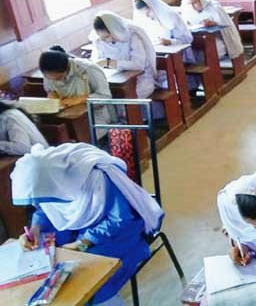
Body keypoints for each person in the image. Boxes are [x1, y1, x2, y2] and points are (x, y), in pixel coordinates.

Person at [13, 143, 164, 305]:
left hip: (119, 231)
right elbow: (46, 208)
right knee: (48, 259)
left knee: (85, 274)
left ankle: (104, 301)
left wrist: (82, 243)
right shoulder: (52, 180)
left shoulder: (97, 180)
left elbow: (120, 220)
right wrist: (36, 228)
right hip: (80, 225)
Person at [89, 11, 159, 99]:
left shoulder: (132, 35)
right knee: (103, 97)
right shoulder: (99, 41)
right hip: (115, 81)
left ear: (114, 30)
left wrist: (109, 63)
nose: (105, 41)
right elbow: (95, 62)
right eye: (102, 38)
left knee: (123, 99)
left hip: (140, 80)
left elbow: (138, 64)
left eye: (107, 37)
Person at [40, 46, 114, 125]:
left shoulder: (89, 69)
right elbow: (50, 90)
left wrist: (80, 99)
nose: (54, 80)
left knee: (78, 129)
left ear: (67, 68)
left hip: (95, 116)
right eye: (48, 77)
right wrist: (52, 96)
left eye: (59, 78)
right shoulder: (49, 71)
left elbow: (106, 97)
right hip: (65, 114)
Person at [180, 0, 245, 60]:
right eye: (189, 3)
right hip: (197, 40)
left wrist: (214, 23)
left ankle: (211, 70)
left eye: (195, 3)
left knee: (208, 52)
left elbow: (225, 27)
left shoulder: (214, 7)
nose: (192, 7)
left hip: (217, 39)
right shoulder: (186, 8)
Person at [132, 0, 195, 64]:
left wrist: (170, 42)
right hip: (160, 55)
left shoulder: (171, 16)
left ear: (152, 6)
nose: (147, 16)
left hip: (180, 56)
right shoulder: (146, 20)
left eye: (148, 12)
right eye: (143, 14)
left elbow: (188, 38)